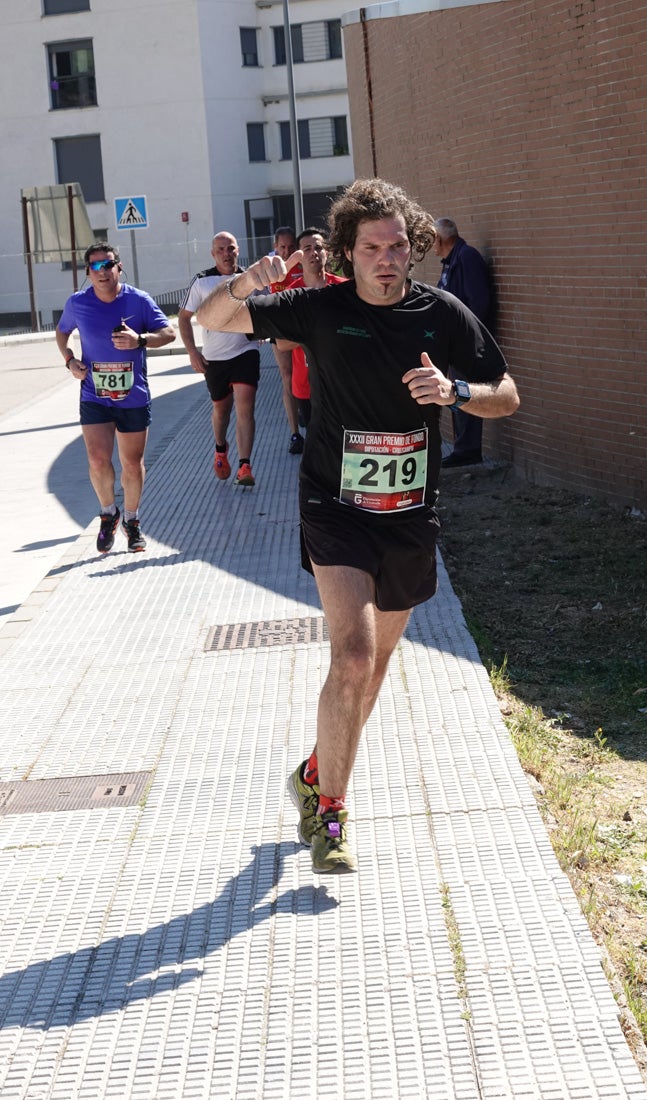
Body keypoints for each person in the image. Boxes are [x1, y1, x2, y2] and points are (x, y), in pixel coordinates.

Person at [197, 178, 519, 875]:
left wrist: (457, 392)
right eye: (371, 247)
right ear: (347, 252)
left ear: (415, 247)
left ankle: (316, 773)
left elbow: (507, 394)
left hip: (407, 514)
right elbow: (216, 320)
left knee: (368, 675)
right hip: (333, 506)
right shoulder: (318, 308)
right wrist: (245, 282)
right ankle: (332, 815)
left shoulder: (442, 314)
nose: (386, 257)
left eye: (398, 245)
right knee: (350, 656)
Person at [56, 242, 175, 553]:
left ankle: (132, 521)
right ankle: (108, 513)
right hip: (94, 394)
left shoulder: (139, 300)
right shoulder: (77, 303)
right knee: (97, 459)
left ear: (119, 267)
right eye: (95, 267)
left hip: (132, 396)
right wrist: (70, 360)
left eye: (108, 265)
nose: (102, 271)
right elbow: (62, 332)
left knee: (132, 465)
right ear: (87, 272)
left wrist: (141, 340)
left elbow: (169, 333)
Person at [178, 232, 260, 487]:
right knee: (221, 409)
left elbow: (265, 311)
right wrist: (193, 351)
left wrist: (265, 333)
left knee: (245, 408)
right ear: (213, 254)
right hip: (215, 358)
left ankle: (245, 466)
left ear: (238, 250)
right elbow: (183, 317)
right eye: (221, 249)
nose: (227, 253)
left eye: (231, 248)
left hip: (246, 351)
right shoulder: (202, 281)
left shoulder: (250, 279)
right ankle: (220, 449)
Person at [432, 217, 498, 467]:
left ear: (441, 238)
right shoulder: (451, 261)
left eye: (432, 239)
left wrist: (464, 336)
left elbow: (479, 303)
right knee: (457, 395)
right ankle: (462, 447)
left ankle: (468, 450)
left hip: (468, 344)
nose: (431, 246)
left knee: (465, 393)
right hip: (454, 343)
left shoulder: (466, 258)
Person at [275, 227, 347, 429]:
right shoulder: (290, 294)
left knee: (341, 446)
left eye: (318, 247)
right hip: (306, 386)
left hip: (340, 384)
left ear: (327, 252)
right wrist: (320, 331)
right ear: (299, 256)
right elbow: (281, 343)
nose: (314, 252)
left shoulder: (345, 289)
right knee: (315, 447)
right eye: (307, 249)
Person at [268, 226, 305, 454]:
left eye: (291, 246)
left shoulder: (304, 264)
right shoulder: (271, 268)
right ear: (275, 247)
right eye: (282, 247)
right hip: (280, 329)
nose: (287, 251)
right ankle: (295, 433)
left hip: (304, 328)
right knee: (287, 376)